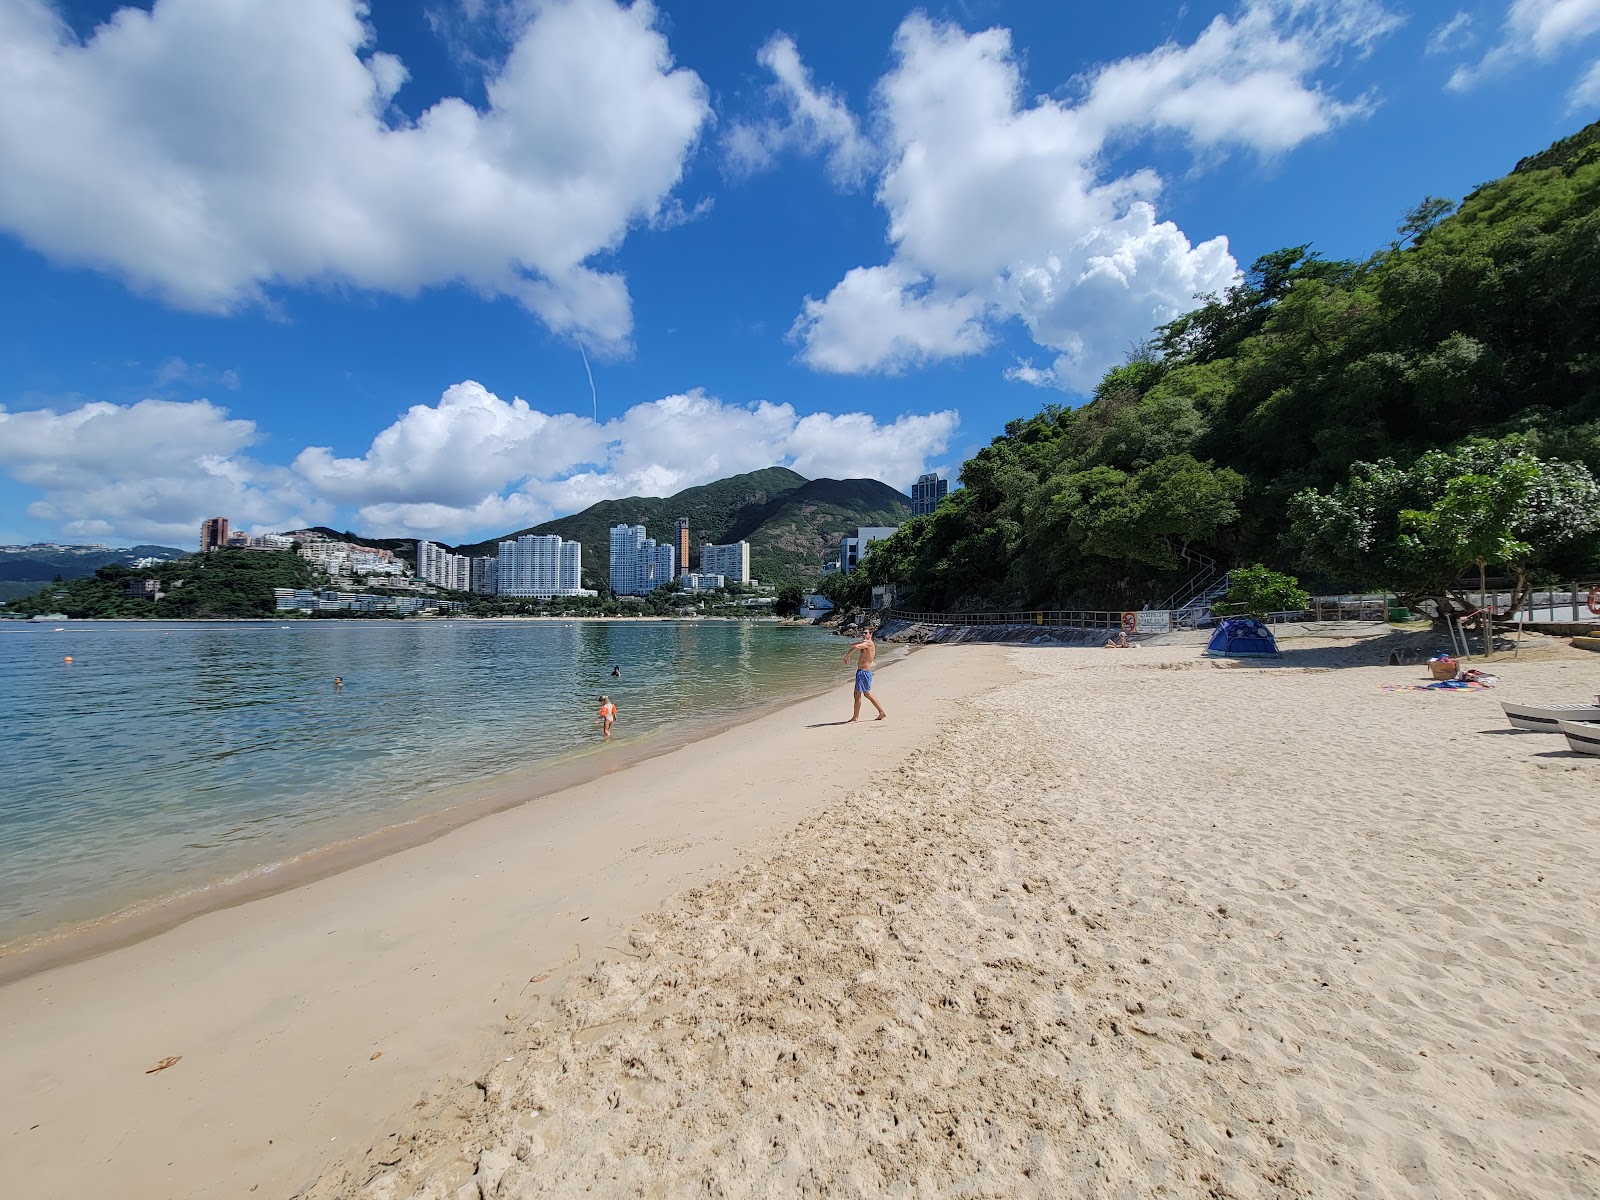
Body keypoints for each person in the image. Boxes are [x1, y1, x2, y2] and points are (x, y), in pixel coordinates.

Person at [843, 627, 887, 722]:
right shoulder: (866, 643)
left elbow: (854, 647)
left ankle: (856, 717)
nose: (863, 634)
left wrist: (847, 656)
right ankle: (881, 712)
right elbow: (852, 644)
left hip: (863, 672)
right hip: (863, 672)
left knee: (859, 694)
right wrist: (860, 640)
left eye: (865, 633)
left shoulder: (868, 643)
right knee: (866, 694)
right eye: (862, 632)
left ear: (870, 634)